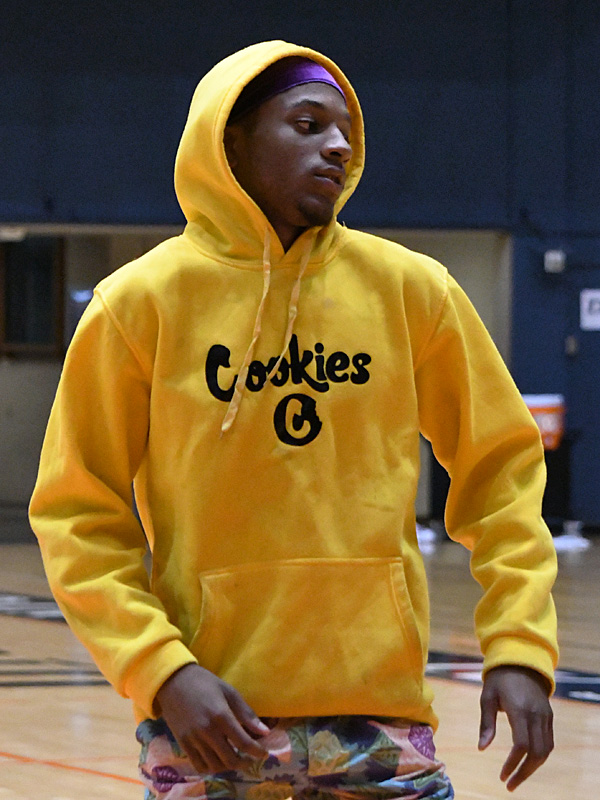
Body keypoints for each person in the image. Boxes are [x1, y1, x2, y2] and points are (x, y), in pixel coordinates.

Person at [29, 41, 558, 799]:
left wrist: (518, 643)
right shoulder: (138, 305)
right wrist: (161, 670)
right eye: (308, 125)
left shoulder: (414, 291)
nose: (338, 146)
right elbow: (77, 514)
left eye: (345, 131)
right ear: (232, 142)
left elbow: (501, 469)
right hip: (208, 716)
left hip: (379, 715)